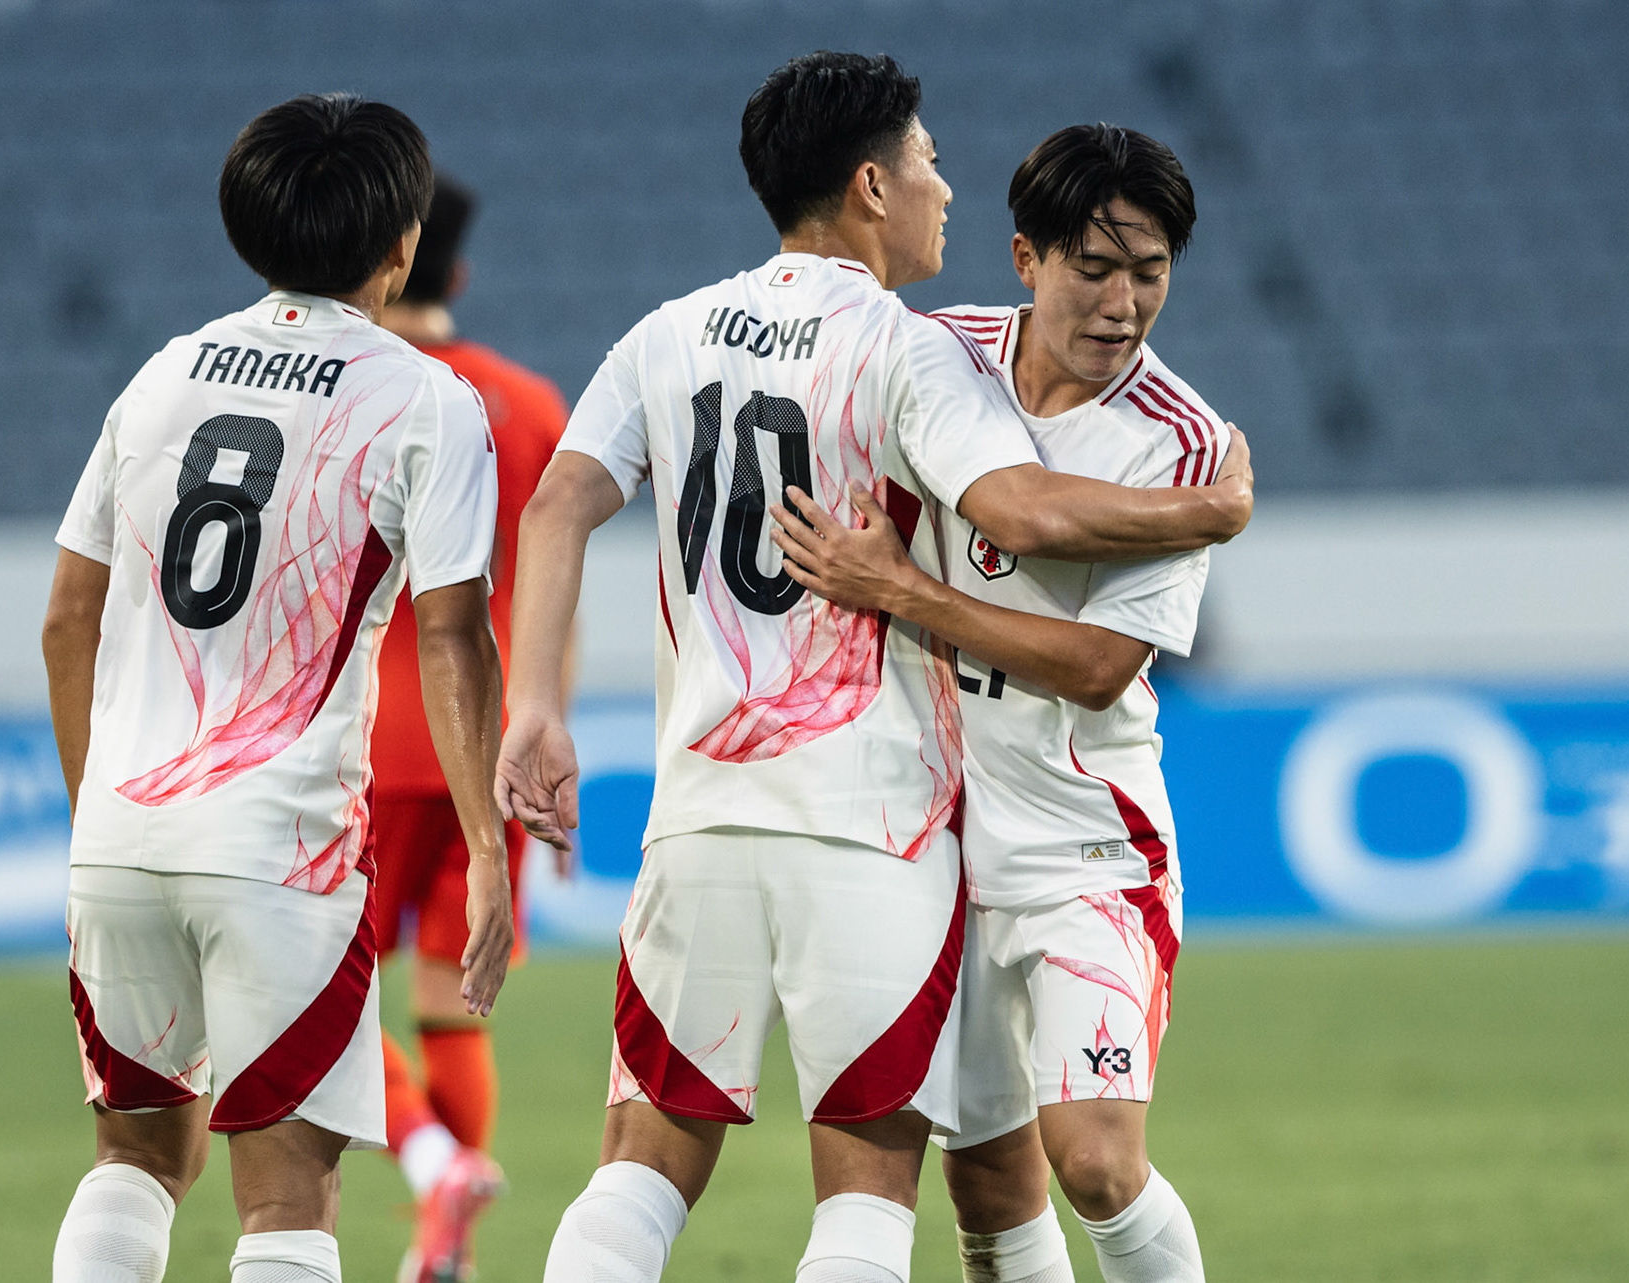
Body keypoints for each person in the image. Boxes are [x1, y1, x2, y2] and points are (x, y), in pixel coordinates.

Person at [494, 54, 1251, 1283]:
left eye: (1146, 272)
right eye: (926, 160)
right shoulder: (923, 352)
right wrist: (1212, 515)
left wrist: (536, 708)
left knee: (644, 1163)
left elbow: (556, 505)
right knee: (875, 1183)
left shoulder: (669, 328)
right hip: (883, 825)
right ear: (870, 183)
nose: (939, 185)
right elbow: (1025, 510)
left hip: (753, 812)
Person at [41, 94, 511, 1283]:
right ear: (401, 245)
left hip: (122, 826)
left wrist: (97, 810)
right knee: (288, 1189)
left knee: (135, 1153)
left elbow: (66, 618)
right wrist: (489, 849)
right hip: (280, 844)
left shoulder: (159, 376)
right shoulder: (423, 398)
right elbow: (453, 634)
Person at [770, 124, 1229, 1283]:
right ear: (1026, 258)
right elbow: (981, 513)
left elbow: (1096, 666)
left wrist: (906, 593)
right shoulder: (938, 353)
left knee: (1097, 1164)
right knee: (984, 1173)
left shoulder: (1182, 447)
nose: (1123, 301)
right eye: (1095, 264)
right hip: (927, 836)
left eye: (1151, 270)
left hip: (1084, 841)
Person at [368, 173, 571, 1282]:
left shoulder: (356, 393)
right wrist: (549, 735)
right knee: (458, 1001)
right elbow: (556, 595)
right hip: (489, 748)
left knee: (319, 995)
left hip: (360, 741)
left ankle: (433, 1162)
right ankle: (443, 1246)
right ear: (460, 270)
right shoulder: (533, 406)